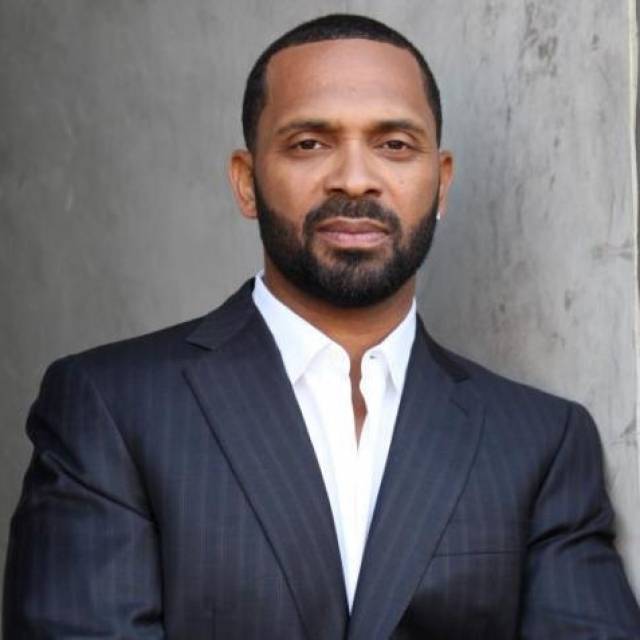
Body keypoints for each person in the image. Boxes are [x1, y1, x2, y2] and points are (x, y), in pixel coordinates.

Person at [3, 12, 640, 639]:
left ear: (441, 183)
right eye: (310, 143)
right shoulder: (110, 407)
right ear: (246, 182)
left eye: (395, 145)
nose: (355, 180)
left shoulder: (540, 441)